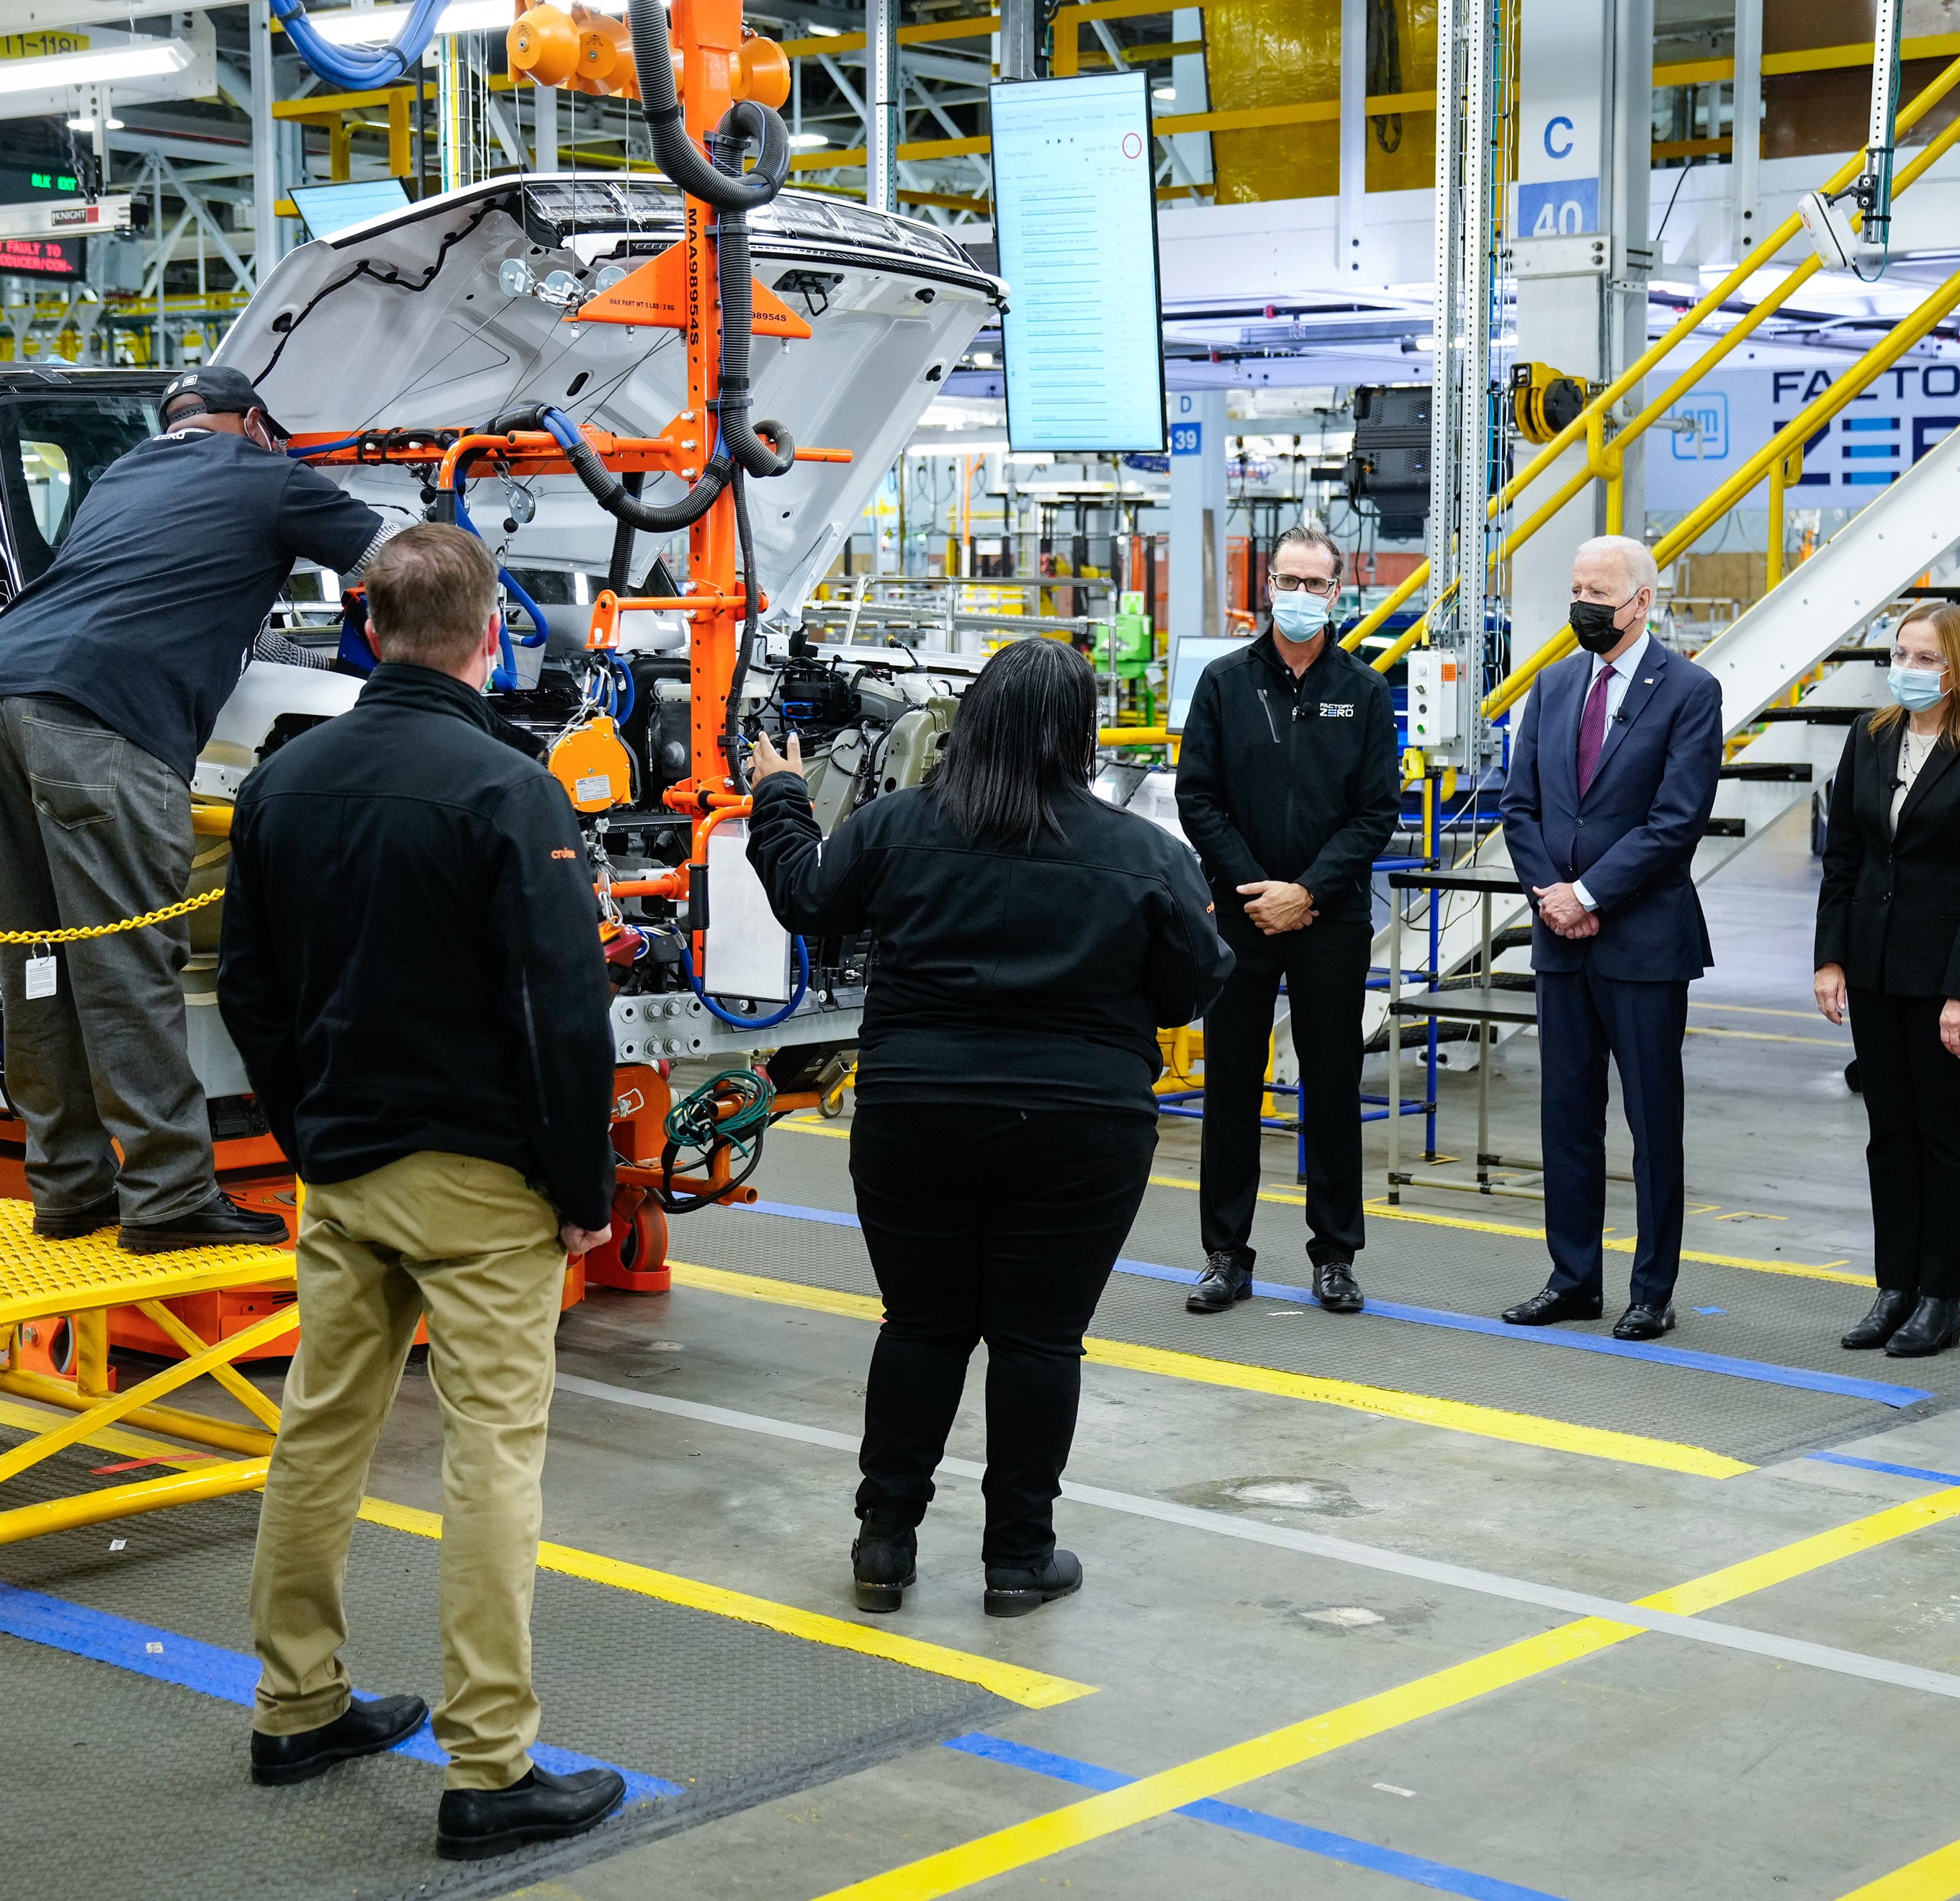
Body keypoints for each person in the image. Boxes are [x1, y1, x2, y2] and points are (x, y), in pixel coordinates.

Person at [218, 525, 627, 1861]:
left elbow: (250, 995)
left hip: (343, 1170)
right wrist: (584, 1185)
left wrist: (312, 1136)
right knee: (491, 1451)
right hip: (480, 1181)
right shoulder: (507, 788)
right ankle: (491, 1764)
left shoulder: (288, 782)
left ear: (367, 624)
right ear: (489, 628)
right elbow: (564, 1011)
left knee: (320, 1432)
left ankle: (296, 1704)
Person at [747, 639, 1230, 1617]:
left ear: (969, 725)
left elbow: (804, 896)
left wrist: (781, 794)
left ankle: (884, 1542)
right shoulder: (1144, 855)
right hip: (1080, 1126)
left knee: (920, 1322)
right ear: (1081, 735)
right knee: (1039, 1339)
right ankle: (1018, 1557)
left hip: (915, 1112)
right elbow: (1187, 992)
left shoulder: (894, 826)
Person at [0, 364, 388, 1254]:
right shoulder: (266, 473)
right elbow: (401, 563)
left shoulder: (124, 474)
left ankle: (71, 1186)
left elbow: (173, 594)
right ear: (257, 424)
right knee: (125, 961)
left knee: (38, 954)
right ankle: (168, 1197)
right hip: (97, 718)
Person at [1497, 535, 1726, 1342]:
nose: (1584, 604)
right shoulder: (1553, 686)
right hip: (1562, 940)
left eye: (1600, 591)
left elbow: (1676, 819)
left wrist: (1590, 892)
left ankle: (1651, 1288)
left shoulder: (1690, 691)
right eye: (1576, 588)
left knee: (1651, 1121)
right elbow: (1518, 806)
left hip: (1643, 941)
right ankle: (1572, 1277)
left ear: (1642, 601)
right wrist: (1553, 899)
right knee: (1566, 1115)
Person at [1174, 526, 1402, 1315]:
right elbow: (1196, 796)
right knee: (1230, 1084)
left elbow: (1376, 813)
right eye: (1288, 578)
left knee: (1332, 1083)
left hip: (1330, 916)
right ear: (1266, 584)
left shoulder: (1365, 691)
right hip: (1240, 916)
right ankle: (1223, 1254)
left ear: (1338, 592)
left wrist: (1305, 889)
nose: (1300, 594)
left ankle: (1334, 1255)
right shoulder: (1224, 683)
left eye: (1316, 581)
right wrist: (1253, 887)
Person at [1811, 601, 1960, 1359]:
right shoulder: (1871, 738)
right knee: (1887, 1134)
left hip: (1947, 978)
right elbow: (1843, 854)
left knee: (1943, 1134)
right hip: (1872, 965)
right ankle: (1894, 1285)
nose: (1906, 667)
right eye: (1899, 651)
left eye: (1923, 656)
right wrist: (1830, 957)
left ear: (1958, 665)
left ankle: (1943, 1294)